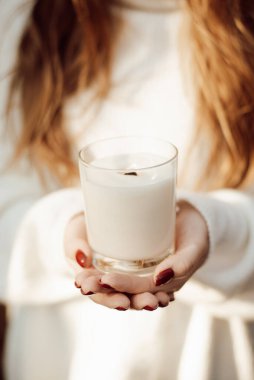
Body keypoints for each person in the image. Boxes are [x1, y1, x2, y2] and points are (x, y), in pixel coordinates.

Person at [1, 0, 254, 379]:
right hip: (60, 358)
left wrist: (215, 229)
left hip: (209, 359)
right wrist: (67, 232)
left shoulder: (243, 22)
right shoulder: (22, 18)